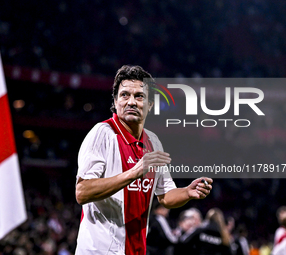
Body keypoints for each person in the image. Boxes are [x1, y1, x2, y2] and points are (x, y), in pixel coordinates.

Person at [74, 65, 213, 255]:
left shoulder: (153, 142)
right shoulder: (102, 133)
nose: (131, 102)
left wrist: (187, 192)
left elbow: (165, 195)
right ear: (115, 101)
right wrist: (134, 172)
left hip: (136, 250)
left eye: (139, 96)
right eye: (124, 95)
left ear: (150, 104)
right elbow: (82, 191)